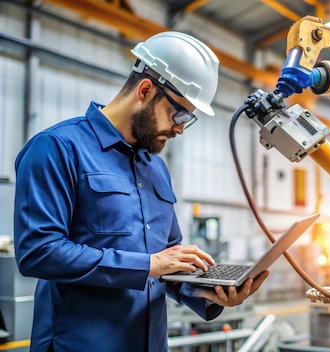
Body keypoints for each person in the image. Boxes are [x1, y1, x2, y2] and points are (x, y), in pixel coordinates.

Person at [13, 31, 269, 352]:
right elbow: (39, 252)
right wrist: (147, 265)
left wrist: (209, 292)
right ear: (145, 90)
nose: (179, 127)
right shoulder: (57, 148)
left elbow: (170, 261)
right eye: (180, 114)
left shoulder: (157, 168)